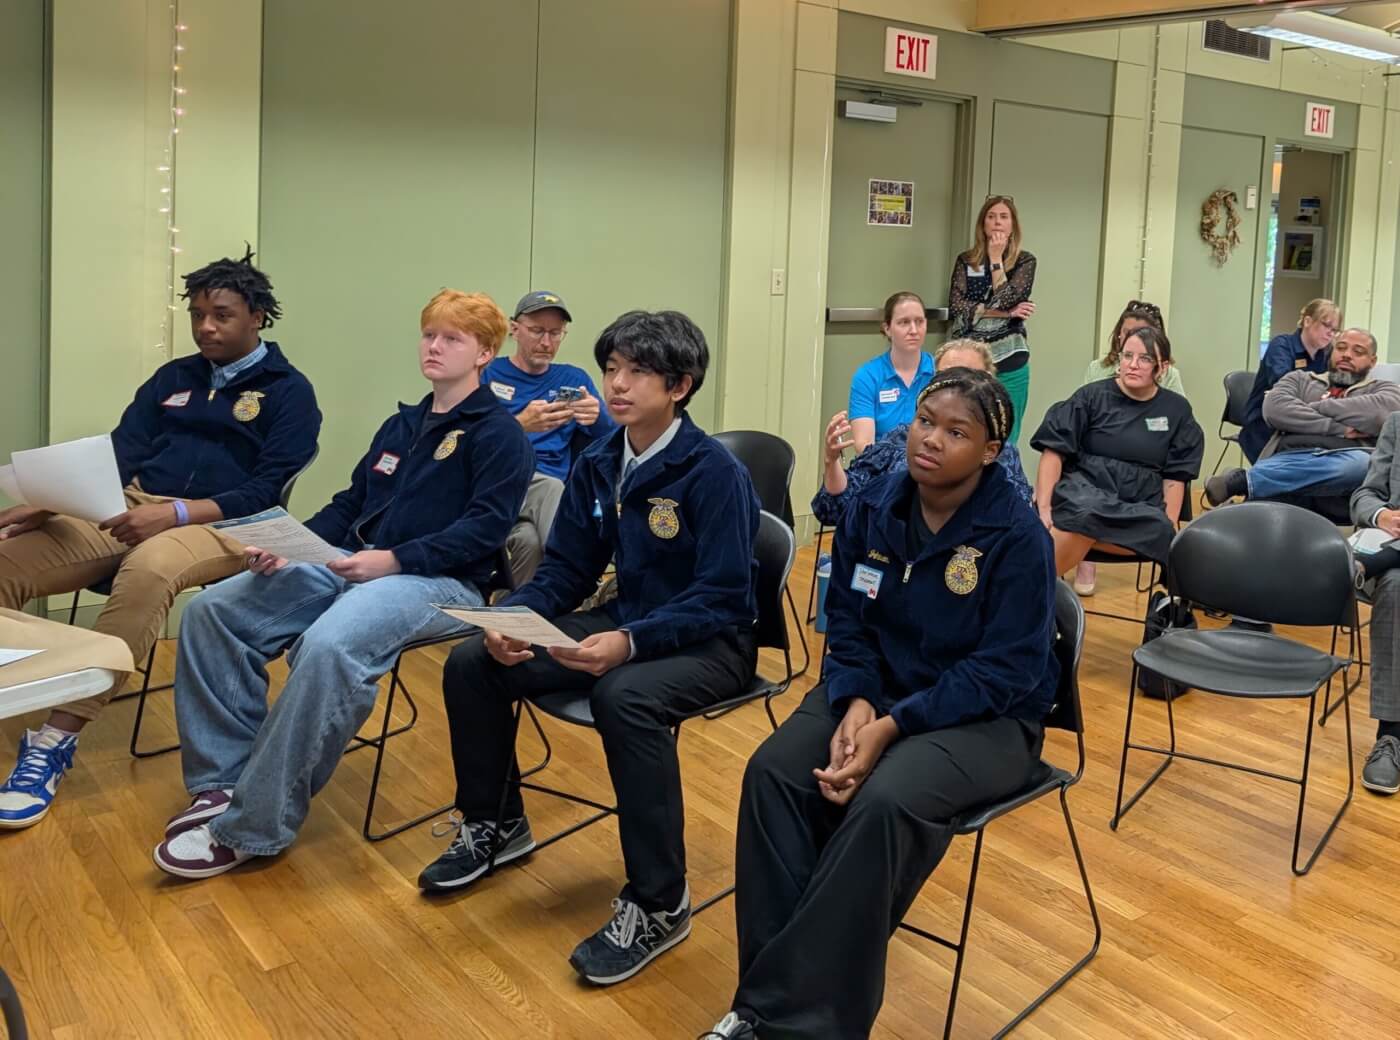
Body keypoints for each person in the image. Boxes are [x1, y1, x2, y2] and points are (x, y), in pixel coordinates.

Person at [703, 370, 1057, 1040]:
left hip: (987, 719)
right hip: (877, 691)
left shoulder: (1015, 536)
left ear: (989, 451)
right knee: (773, 772)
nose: (931, 440)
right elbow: (849, 619)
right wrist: (861, 699)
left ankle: (777, 1017)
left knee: (884, 802)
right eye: (927, 421)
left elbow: (1006, 670)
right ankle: (775, 1007)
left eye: (957, 432)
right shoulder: (872, 507)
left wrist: (895, 726)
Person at [419, 310, 760, 988]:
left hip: (710, 641)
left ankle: (661, 902)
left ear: (680, 386)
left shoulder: (713, 472)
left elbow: (724, 594)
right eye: (612, 369)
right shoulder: (602, 459)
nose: (617, 384)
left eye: (638, 372)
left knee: (623, 695)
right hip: (624, 619)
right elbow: (566, 572)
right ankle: (494, 825)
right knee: (473, 661)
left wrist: (631, 643)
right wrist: (513, 617)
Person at [151, 290, 532, 879]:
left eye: (452, 338)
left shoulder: (499, 433)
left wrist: (394, 560)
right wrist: (288, 543)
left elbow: (484, 532)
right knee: (214, 613)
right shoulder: (401, 424)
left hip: (442, 583)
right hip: (353, 562)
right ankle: (222, 785)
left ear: (485, 352)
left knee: (331, 644)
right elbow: (351, 502)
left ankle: (254, 824)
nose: (433, 346)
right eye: (429, 333)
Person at [0, 250, 321, 830]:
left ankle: (53, 739)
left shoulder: (290, 392)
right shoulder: (174, 377)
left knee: (147, 571)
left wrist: (174, 514)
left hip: (223, 526)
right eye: (198, 314)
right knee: (5, 558)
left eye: (221, 315)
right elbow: (122, 454)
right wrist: (45, 502)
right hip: (127, 505)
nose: (205, 327)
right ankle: (13, 690)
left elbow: (266, 490)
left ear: (258, 317)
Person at [1032, 327, 1204, 576]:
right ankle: (1036, 591)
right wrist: (1045, 509)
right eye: (1127, 356)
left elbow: (1176, 477)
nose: (1133, 365)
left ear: (1162, 367)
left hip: (1138, 503)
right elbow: (1054, 451)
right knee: (1085, 513)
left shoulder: (1177, 410)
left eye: (1145, 358)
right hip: (1084, 489)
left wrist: (1169, 525)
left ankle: (1032, 591)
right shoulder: (1091, 396)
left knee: (1158, 529)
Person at [814, 339, 1032, 529]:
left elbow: (1020, 526)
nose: (955, 388)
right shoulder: (899, 439)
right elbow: (834, 509)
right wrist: (831, 462)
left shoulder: (1001, 457)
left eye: (968, 377)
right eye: (946, 376)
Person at [486, 291, 616, 586]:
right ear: (514, 329)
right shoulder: (488, 373)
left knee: (529, 542)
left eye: (555, 333)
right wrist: (519, 426)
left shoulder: (574, 379)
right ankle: (579, 576)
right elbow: (467, 442)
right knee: (550, 486)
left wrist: (599, 418)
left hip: (545, 501)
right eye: (537, 331)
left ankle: (519, 619)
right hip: (499, 483)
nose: (546, 342)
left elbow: (614, 443)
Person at [1205, 328, 1399, 508]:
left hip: (1347, 464)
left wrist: (1314, 407)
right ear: (1331, 352)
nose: (1347, 354)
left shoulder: (1383, 389)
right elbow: (1274, 409)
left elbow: (1382, 414)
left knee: (1362, 464)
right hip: (1289, 454)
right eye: (1341, 348)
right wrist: (1340, 428)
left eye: (1358, 351)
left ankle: (1244, 481)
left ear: (1372, 361)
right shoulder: (1299, 379)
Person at [1074, 299, 1179, 596]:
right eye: (1128, 333)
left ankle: (1169, 574)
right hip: (1099, 456)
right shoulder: (1098, 371)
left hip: (1148, 457)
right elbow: (1079, 427)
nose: (1135, 342)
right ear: (1119, 336)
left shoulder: (1171, 379)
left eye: (1144, 336)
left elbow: (1176, 427)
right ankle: (1083, 556)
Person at [949, 194, 1036, 443]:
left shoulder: (1025, 261)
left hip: (1010, 361)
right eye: (991, 216)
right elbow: (956, 306)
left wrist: (997, 259)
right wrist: (1007, 314)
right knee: (967, 430)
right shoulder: (966, 260)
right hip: (969, 358)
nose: (997, 222)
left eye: (1003, 217)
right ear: (983, 224)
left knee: (1006, 436)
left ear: (1012, 225)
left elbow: (1008, 297)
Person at [1349, 411, 1400, 794]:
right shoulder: (1397, 425)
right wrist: (1381, 515)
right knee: (1397, 585)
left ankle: (1365, 565)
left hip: (1383, 557)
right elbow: (1363, 496)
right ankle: (1392, 735)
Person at [1239, 298, 1340, 462]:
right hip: (1264, 424)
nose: (1330, 333)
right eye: (1326, 325)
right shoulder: (1281, 345)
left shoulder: (1327, 353)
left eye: (1334, 330)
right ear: (1307, 321)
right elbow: (1284, 387)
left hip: (1303, 422)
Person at [846, 291, 935, 452]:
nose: (914, 330)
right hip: (882, 467)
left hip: (930, 465)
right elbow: (864, 444)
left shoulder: (939, 371)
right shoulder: (867, 376)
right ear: (887, 328)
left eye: (919, 321)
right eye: (904, 322)